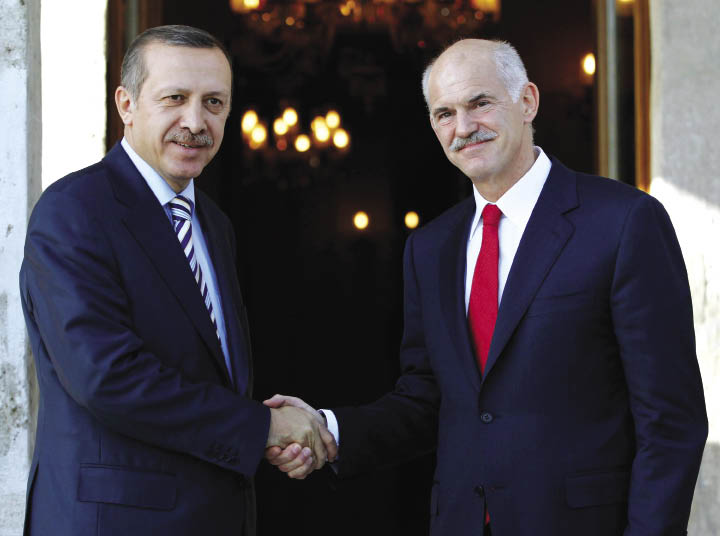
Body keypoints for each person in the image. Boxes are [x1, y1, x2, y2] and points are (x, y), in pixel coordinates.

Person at [265, 39, 708, 535]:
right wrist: (328, 429)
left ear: (528, 101)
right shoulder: (431, 248)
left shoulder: (624, 221)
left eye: (480, 103)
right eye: (444, 114)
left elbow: (671, 422)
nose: (463, 127)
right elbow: (429, 400)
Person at [19, 24, 334, 536]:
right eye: (174, 98)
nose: (195, 121)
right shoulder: (74, 210)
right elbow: (108, 376)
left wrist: (264, 430)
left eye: (214, 103)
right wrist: (262, 428)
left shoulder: (213, 222)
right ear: (126, 105)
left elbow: (208, 373)